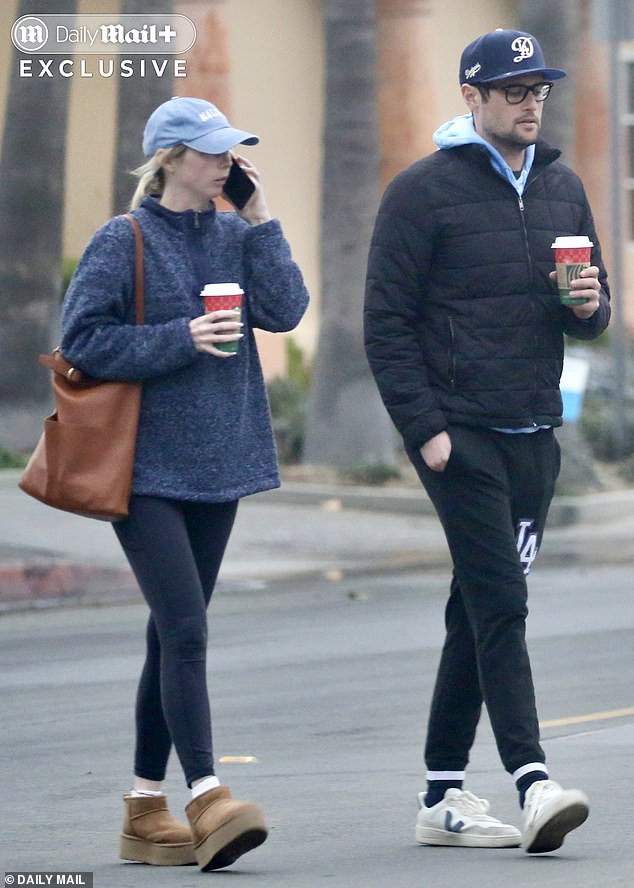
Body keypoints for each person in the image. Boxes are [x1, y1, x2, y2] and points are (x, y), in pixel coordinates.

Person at [364, 29, 610, 854]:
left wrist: (585, 306)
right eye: (514, 90)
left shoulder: (564, 188)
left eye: (539, 88)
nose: (531, 101)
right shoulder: (422, 193)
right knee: (502, 601)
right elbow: (386, 323)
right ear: (472, 98)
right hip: (460, 437)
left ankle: (441, 792)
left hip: (534, 434)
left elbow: (596, 309)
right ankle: (534, 780)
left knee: (475, 606)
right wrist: (427, 431)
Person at [60, 96, 309, 871]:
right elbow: (82, 342)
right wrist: (181, 337)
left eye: (232, 151)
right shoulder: (123, 238)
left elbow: (288, 308)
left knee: (169, 632)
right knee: (188, 630)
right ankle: (206, 794)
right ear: (169, 158)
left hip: (221, 461)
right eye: (211, 151)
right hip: (144, 468)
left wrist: (262, 217)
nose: (225, 161)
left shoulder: (237, 235)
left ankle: (142, 810)